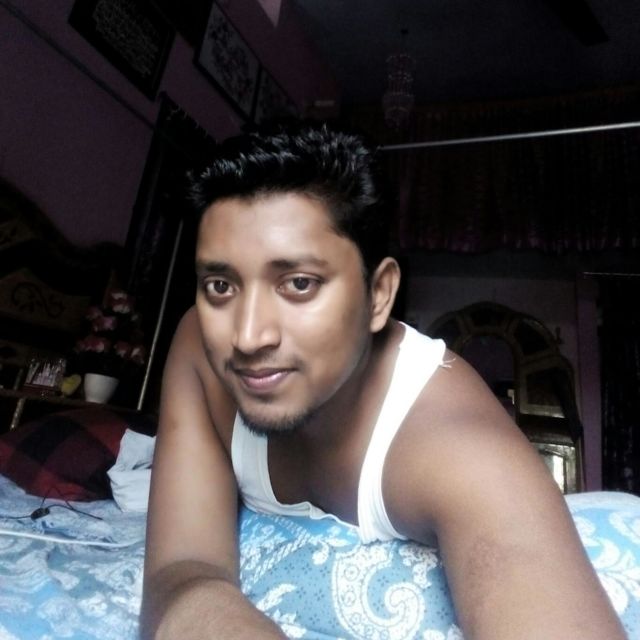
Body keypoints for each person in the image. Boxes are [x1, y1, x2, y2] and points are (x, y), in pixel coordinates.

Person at [140, 121, 626, 640]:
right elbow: (183, 566)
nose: (248, 335)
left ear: (379, 295)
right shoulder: (198, 344)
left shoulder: (462, 451)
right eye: (221, 285)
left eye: (299, 283)